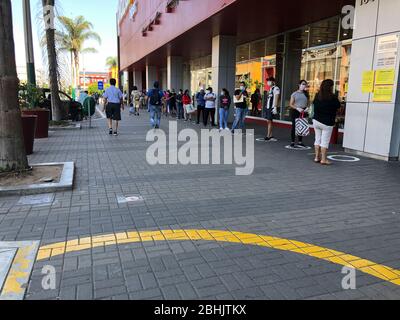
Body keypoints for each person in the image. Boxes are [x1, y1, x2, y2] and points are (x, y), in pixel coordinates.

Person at [312, 79, 341, 165]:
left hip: (316, 120)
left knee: (317, 139)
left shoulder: (317, 95)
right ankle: (324, 159)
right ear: (330, 87)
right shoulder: (333, 97)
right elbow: (338, 107)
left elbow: (314, 105)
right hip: (327, 122)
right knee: (324, 141)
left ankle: (317, 157)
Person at [289, 80, 310, 147]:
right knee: (294, 126)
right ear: (299, 85)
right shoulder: (294, 94)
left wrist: (307, 108)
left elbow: (308, 103)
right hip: (295, 111)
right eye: (303, 84)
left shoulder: (306, 94)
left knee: (302, 126)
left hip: (303, 111)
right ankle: (292, 141)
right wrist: (297, 108)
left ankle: (300, 141)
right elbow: (291, 104)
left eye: (305, 84)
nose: (304, 86)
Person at [264, 77, 280, 141]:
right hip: (268, 107)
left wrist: (275, 107)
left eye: (269, 81)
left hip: (272, 107)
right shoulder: (270, 89)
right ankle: (270, 135)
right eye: (268, 81)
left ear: (273, 82)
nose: (268, 82)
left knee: (269, 121)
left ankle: (268, 136)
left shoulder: (276, 88)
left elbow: (276, 97)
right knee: (268, 121)